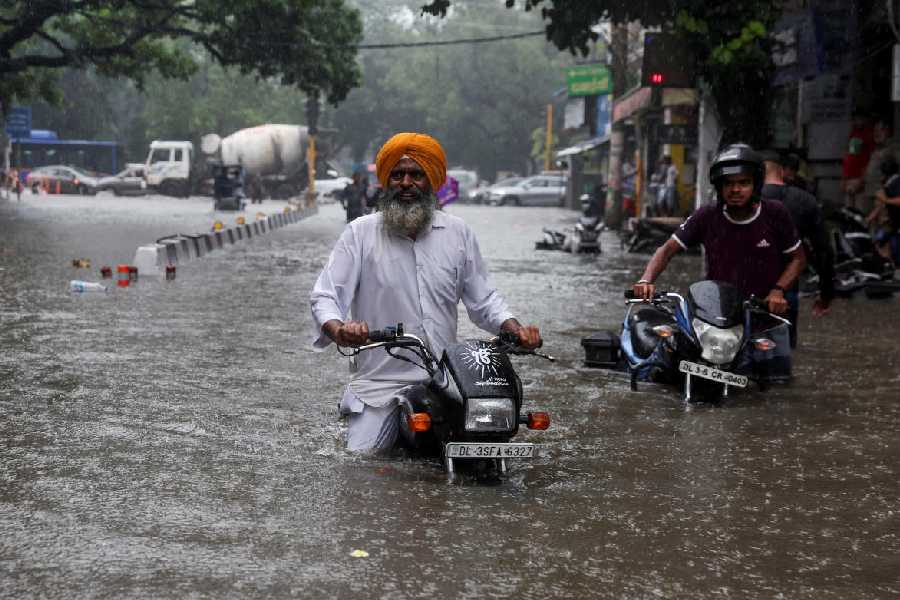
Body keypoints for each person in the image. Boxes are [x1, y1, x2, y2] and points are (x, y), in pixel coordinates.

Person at [310, 132, 541, 453]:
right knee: (362, 460)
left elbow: (485, 300)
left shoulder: (458, 233)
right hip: (381, 386)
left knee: (493, 442)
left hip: (448, 382)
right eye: (398, 174)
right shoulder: (359, 234)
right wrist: (340, 329)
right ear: (385, 181)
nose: (406, 182)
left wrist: (516, 330)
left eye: (416, 174)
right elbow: (326, 296)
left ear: (431, 180)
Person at [632, 143, 806, 380]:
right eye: (729, 184)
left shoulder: (775, 214)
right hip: (716, 321)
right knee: (682, 376)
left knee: (776, 388)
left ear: (755, 184)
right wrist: (646, 279)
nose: (736, 190)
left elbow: (797, 259)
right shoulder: (707, 215)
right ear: (719, 187)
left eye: (743, 183)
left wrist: (778, 291)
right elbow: (667, 250)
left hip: (762, 317)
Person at [760, 151, 835, 348]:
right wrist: (825, 294)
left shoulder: (743, 200)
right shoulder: (806, 201)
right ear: (782, 173)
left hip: (747, 289)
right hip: (787, 290)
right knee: (784, 353)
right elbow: (824, 250)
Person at [861, 119, 900, 217]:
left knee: (880, 223)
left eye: (879, 130)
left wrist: (890, 187)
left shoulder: (893, 147)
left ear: (887, 131)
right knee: (866, 220)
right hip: (869, 191)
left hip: (881, 193)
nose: (876, 133)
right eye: (875, 131)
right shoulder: (876, 148)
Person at [866, 157, 900, 265]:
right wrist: (870, 217)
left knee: (887, 243)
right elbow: (881, 204)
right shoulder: (889, 184)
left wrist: (885, 199)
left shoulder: (896, 183)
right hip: (893, 224)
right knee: (880, 241)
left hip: (896, 224)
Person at [842, 111, 875, 210]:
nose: (857, 121)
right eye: (855, 119)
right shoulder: (853, 133)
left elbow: (870, 159)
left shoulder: (869, 135)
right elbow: (848, 157)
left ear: (865, 119)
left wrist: (862, 179)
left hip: (859, 178)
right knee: (848, 211)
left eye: (859, 119)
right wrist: (844, 178)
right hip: (849, 177)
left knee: (860, 211)